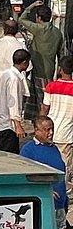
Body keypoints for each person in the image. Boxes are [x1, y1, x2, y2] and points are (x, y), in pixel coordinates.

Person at [20, 116, 68, 229]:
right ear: (36, 130)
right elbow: (24, 179)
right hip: (44, 207)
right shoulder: (28, 151)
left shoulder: (54, 149)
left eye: (52, 129)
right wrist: (44, 191)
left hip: (60, 205)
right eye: (47, 130)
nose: (51, 133)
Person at [41, 54, 73, 215]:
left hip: (50, 132)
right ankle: (64, 195)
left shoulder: (51, 86)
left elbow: (45, 109)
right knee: (65, 168)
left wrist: (40, 127)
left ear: (60, 69)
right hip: (67, 135)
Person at [0, 49, 31, 153]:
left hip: (1, 122)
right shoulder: (14, 79)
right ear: (25, 62)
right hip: (9, 125)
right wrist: (17, 125)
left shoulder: (5, 74)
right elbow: (13, 102)